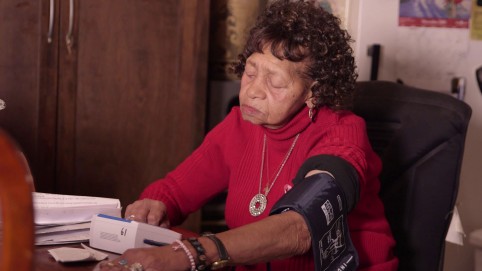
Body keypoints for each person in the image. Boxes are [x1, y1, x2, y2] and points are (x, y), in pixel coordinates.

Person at [96, 1, 398, 270]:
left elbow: (302, 226)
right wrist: (154, 204)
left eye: (275, 83)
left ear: (314, 92)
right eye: (250, 73)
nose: (252, 91)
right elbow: (175, 191)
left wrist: (195, 252)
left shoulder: (342, 133)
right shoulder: (240, 125)